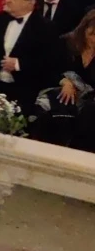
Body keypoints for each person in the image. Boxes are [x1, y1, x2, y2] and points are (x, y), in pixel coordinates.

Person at [30, 9, 95, 150]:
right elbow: (47, 70)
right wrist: (65, 81)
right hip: (56, 89)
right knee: (61, 102)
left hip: (86, 100)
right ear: (84, 29)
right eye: (92, 34)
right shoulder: (65, 44)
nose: (93, 40)